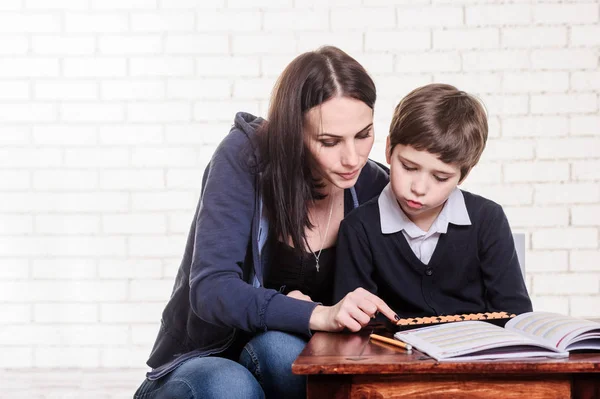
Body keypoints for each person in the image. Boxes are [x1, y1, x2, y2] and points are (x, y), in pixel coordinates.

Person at [134, 46, 399, 399]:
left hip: (276, 355)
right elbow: (211, 290)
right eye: (329, 141)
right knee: (230, 385)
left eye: (363, 135)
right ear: (294, 132)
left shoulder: (372, 186)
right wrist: (313, 313)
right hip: (201, 364)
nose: (352, 158)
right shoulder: (244, 158)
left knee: (286, 355)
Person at [333, 83, 532, 321]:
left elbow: (516, 315)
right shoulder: (359, 228)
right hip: (391, 357)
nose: (418, 188)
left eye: (440, 178)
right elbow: (354, 325)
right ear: (388, 150)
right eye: (408, 167)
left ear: (463, 175)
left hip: (475, 355)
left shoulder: (488, 219)